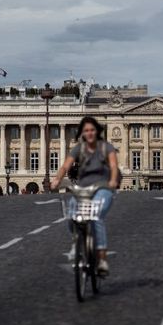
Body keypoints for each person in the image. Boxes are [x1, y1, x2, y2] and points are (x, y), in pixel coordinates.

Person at [51, 116, 119, 276]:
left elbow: (114, 166)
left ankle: (101, 258)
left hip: (103, 187)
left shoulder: (106, 148)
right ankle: (76, 243)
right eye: (86, 130)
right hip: (83, 188)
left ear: (97, 131)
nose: (89, 133)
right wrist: (57, 180)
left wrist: (113, 181)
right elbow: (64, 166)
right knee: (71, 214)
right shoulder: (78, 149)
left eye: (92, 130)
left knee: (96, 217)